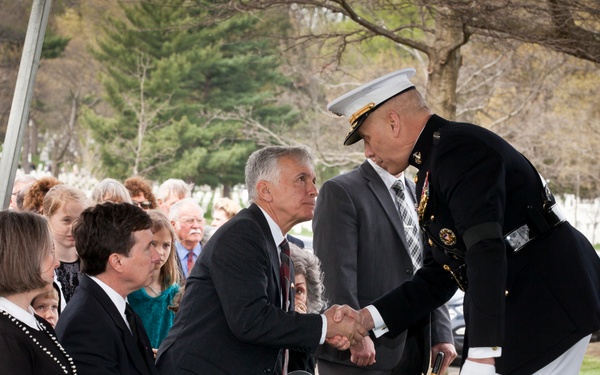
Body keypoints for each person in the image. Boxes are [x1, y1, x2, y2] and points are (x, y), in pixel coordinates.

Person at [327, 68, 600, 375]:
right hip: (524, 298)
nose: (368, 152)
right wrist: (367, 319)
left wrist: (483, 353)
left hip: (547, 299)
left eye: (366, 138)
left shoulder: (460, 151)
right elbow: (440, 275)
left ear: (393, 123)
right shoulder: (432, 167)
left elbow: (486, 249)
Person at [155, 146, 368, 375]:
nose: (314, 190)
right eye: (301, 179)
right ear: (265, 190)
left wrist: (329, 325)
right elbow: (252, 320)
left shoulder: (274, 241)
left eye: (313, 180)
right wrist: (325, 326)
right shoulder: (242, 234)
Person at [313, 158, 456, 374]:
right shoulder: (340, 190)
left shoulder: (421, 192)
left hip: (417, 344)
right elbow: (335, 274)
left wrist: (441, 333)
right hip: (362, 353)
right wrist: (354, 335)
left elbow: (433, 267)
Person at [55, 202, 161, 375]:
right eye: (149, 247)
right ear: (117, 261)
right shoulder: (85, 326)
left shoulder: (117, 308)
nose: (157, 257)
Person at [0, 211, 76, 375]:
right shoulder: (5, 337)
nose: (56, 263)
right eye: (50, 251)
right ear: (24, 257)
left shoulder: (32, 320)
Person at [128, 210, 181, 349]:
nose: (161, 252)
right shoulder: (129, 290)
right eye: (153, 244)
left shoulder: (174, 291)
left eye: (166, 245)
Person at [44, 184, 93, 304]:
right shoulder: (40, 265)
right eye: (66, 220)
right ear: (48, 218)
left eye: (80, 220)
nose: (74, 227)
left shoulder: (92, 261)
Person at [287, 244, 328, 373]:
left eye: (298, 291)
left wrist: (300, 333)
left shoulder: (309, 336)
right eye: (285, 290)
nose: (292, 299)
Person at [169, 198, 207, 280]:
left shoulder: (211, 252)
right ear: (173, 224)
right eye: (190, 221)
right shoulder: (166, 255)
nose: (196, 226)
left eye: (200, 221)